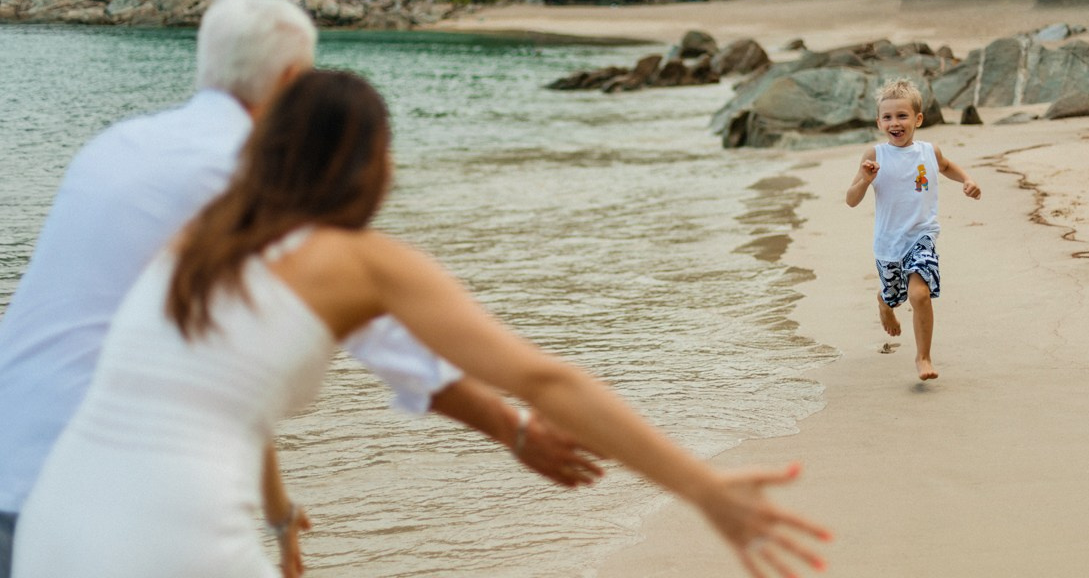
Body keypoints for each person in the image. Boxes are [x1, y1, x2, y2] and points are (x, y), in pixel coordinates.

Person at [13, 70, 831, 578]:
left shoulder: (200, 242)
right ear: (362, 161)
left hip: (54, 527)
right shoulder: (359, 263)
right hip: (172, 538)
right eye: (387, 147)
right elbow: (547, 379)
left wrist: (279, 515)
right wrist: (701, 488)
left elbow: (221, 405)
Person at [0, 0, 599, 578]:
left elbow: (224, 373)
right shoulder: (250, 175)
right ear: (291, 84)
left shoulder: (115, 147)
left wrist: (279, 513)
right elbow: (381, 331)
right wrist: (512, 428)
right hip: (105, 507)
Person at [845, 78, 981, 381]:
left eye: (902, 116)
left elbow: (946, 167)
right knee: (895, 296)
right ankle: (884, 303)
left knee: (919, 294)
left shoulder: (928, 152)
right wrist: (865, 180)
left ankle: (923, 357)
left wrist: (967, 180)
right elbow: (851, 200)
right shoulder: (874, 155)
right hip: (888, 245)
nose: (895, 123)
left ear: (917, 119)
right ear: (879, 122)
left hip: (922, 235)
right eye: (888, 117)